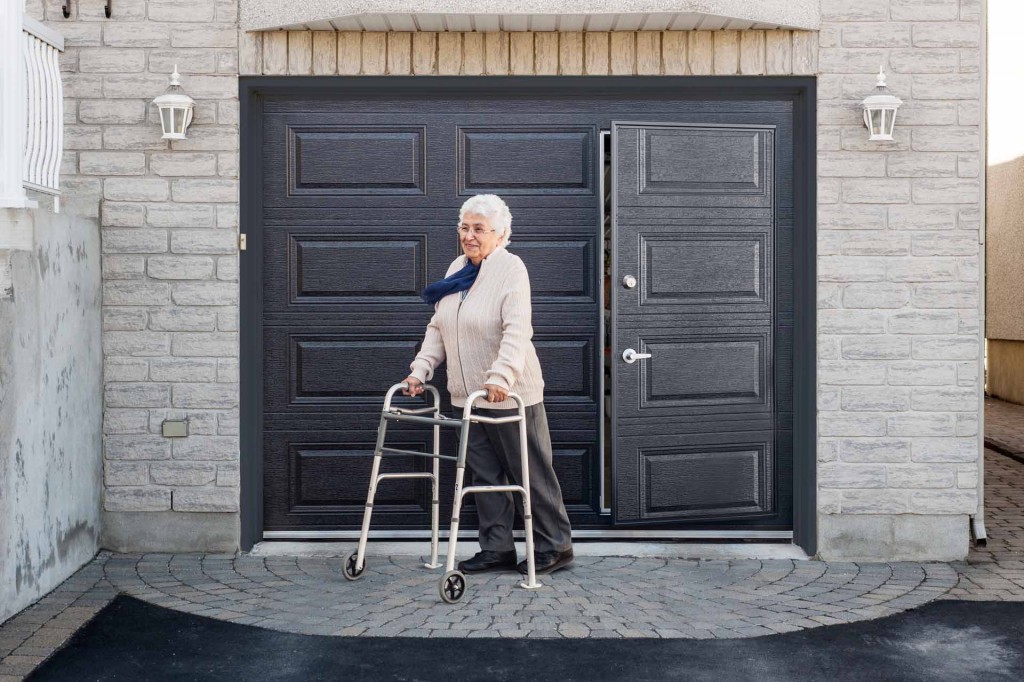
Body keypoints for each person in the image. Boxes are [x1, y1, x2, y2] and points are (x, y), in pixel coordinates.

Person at [402, 194, 574, 575]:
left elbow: (517, 329)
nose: (469, 235)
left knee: (531, 472)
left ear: (500, 234)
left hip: (511, 394)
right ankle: (497, 548)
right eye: (465, 227)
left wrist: (500, 378)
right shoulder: (458, 268)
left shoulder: (511, 269)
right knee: (485, 478)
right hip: (469, 397)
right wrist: (421, 370)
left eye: (479, 229)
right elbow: (439, 327)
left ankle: (556, 546)